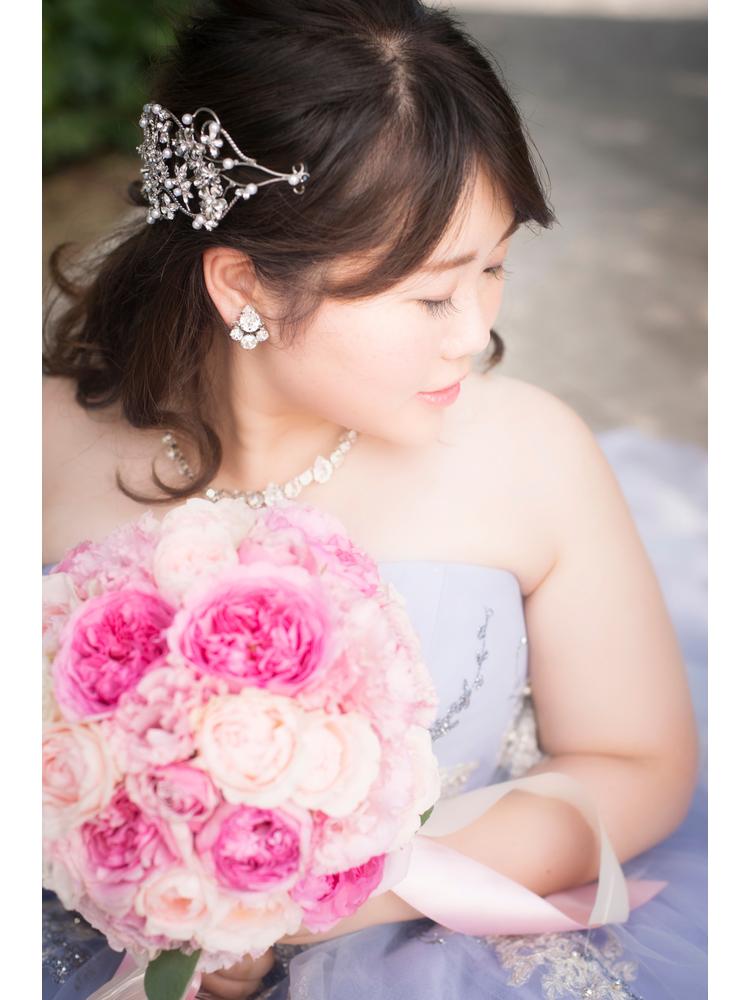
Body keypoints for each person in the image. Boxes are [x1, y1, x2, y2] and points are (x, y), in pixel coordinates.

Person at [42, 1, 707, 997]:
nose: (472, 334)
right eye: (430, 295)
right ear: (245, 286)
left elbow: (636, 761)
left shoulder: (532, 455)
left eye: (493, 267)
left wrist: (304, 900)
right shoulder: (39, 446)